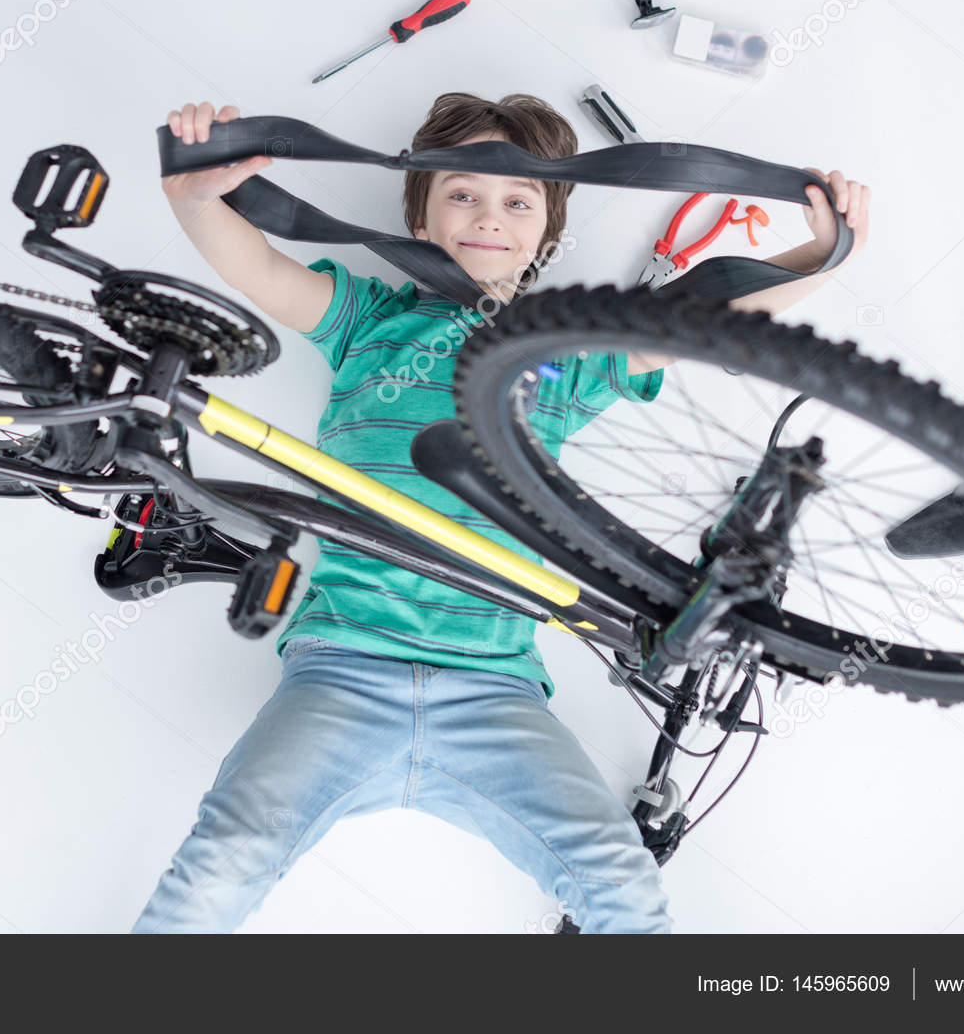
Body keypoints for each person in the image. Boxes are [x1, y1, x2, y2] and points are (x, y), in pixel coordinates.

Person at [132, 94, 870, 933]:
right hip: (340, 672)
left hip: (496, 690)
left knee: (625, 888)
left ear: (548, 230)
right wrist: (196, 198)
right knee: (225, 855)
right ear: (419, 212)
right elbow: (260, 271)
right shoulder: (371, 321)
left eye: (518, 201)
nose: (489, 217)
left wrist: (816, 256)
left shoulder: (560, 353)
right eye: (463, 195)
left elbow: (695, 326)